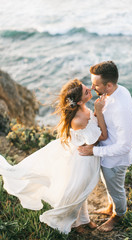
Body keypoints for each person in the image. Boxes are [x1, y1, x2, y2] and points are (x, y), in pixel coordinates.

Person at [0, 79, 107, 234]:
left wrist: (95, 112)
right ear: (77, 102)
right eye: (86, 91)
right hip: (83, 162)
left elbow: (92, 126)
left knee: (82, 193)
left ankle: (84, 220)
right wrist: (100, 112)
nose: (90, 89)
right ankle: (74, 223)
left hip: (86, 157)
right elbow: (101, 136)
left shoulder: (83, 109)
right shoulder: (78, 119)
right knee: (77, 194)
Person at [78, 61, 132, 232]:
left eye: (96, 85)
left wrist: (93, 150)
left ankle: (119, 215)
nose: (92, 87)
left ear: (109, 85)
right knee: (109, 186)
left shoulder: (121, 108)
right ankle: (111, 209)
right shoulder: (117, 91)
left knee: (116, 191)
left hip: (115, 160)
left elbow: (124, 146)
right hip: (106, 155)